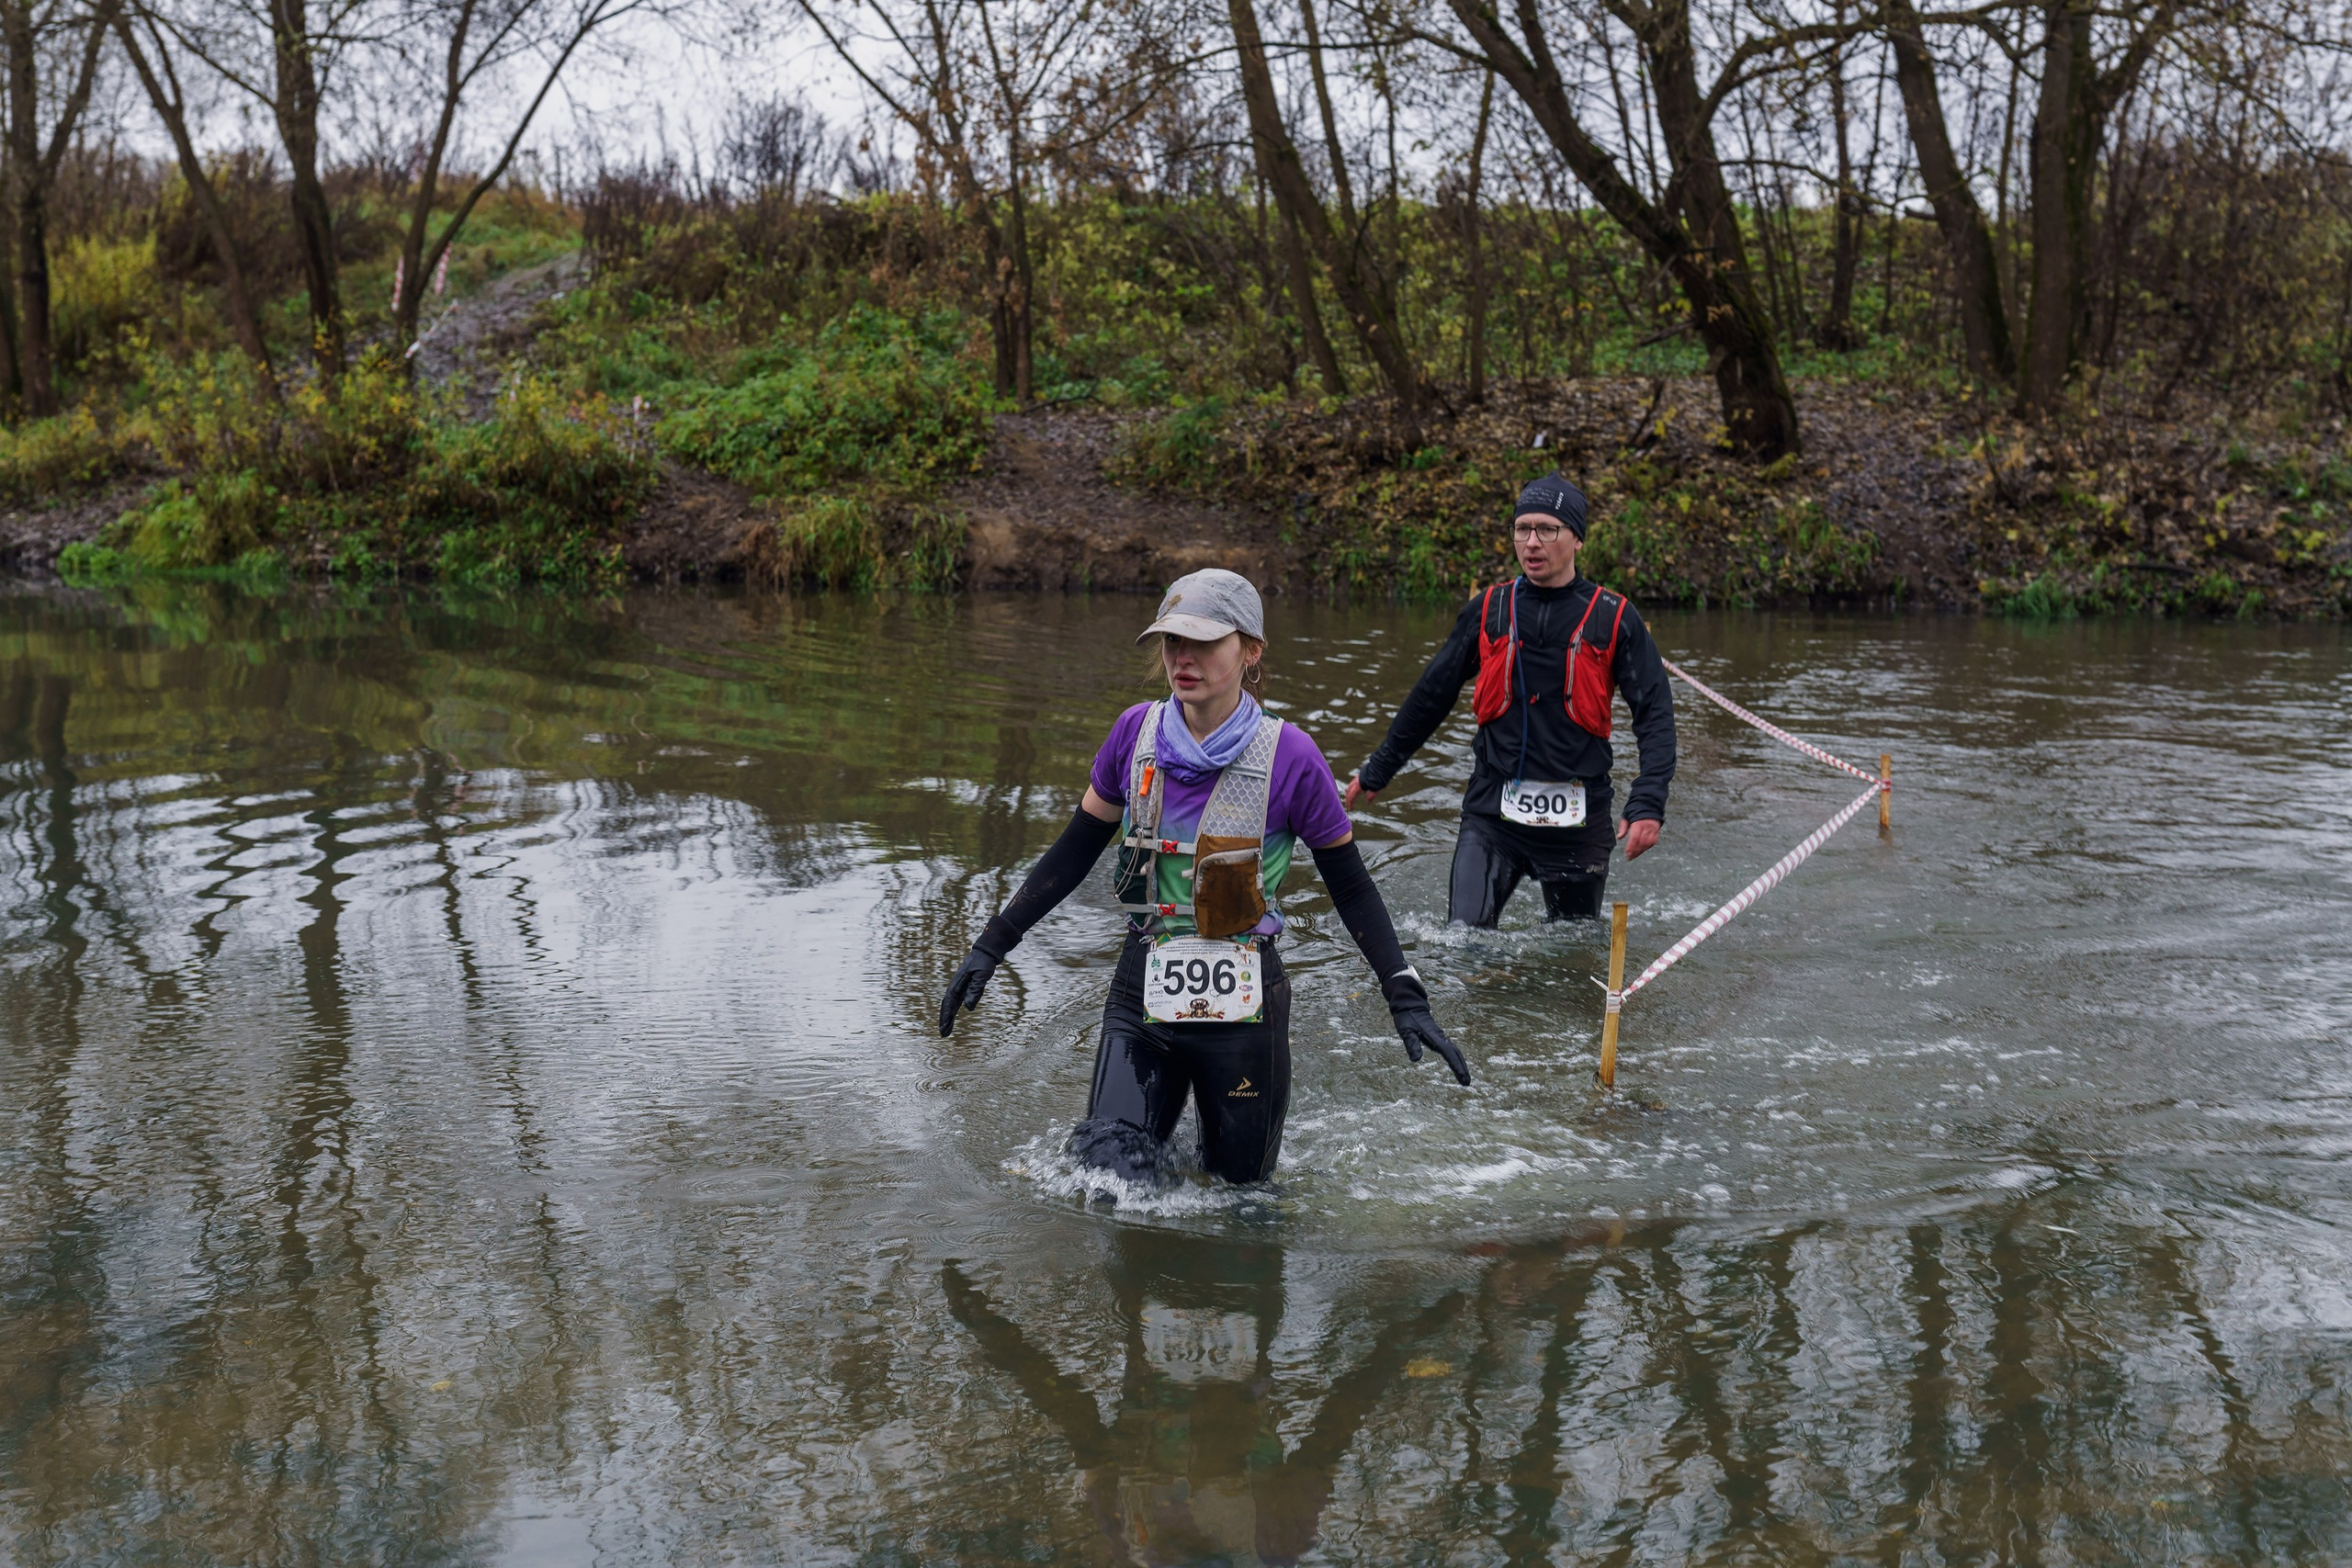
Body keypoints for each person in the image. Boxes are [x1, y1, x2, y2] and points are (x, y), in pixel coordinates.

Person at [938, 568, 1468, 1187]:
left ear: (1251, 651)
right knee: (1104, 1169)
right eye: (1171, 642)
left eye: (1203, 643)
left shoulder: (1291, 756)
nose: (1182, 658)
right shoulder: (1132, 735)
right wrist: (991, 944)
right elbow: (1075, 849)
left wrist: (1402, 990)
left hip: (1244, 1012)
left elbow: (1350, 886)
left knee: (1241, 1206)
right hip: (1141, 991)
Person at [1344, 473, 1677, 926]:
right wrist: (1380, 768)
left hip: (1577, 819)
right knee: (1462, 941)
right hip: (1491, 813)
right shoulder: (1489, 609)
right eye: (1523, 529)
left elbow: (1655, 716)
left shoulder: (1615, 618)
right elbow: (1431, 694)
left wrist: (1648, 802)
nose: (1532, 542)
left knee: (1569, 960)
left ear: (1577, 538)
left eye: (1547, 529)